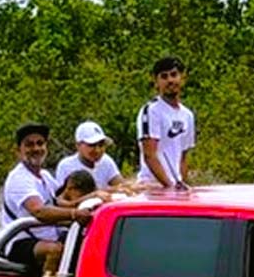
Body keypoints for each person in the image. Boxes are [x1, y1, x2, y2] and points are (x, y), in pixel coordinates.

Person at [1, 122, 89, 276]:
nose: (36, 148)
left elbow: (60, 202)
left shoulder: (46, 176)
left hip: (48, 234)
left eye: (40, 143)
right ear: (18, 151)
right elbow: (39, 211)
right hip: (20, 242)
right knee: (54, 250)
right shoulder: (19, 178)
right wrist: (75, 214)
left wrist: (94, 198)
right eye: (29, 145)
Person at [136, 55, 195, 189]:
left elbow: (184, 156)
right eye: (164, 76)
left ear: (182, 78)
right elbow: (149, 154)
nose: (170, 80)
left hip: (176, 186)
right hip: (153, 186)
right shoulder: (151, 111)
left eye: (174, 75)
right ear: (156, 82)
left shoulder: (187, 115)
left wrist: (182, 184)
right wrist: (169, 186)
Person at [53, 121, 123, 194]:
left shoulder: (106, 160)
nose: (97, 150)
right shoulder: (66, 166)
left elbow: (120, 184)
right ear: (78, 145)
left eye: (101, 145)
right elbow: (63, 198)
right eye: (92, 145)